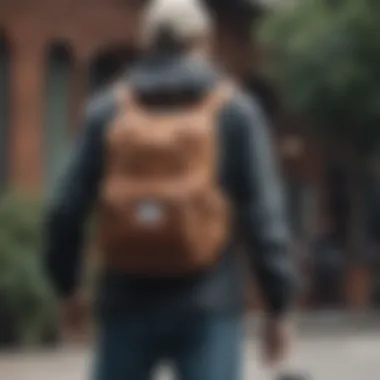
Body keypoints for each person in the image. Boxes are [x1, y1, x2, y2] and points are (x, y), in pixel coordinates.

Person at [44, 0, 295, 379]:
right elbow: (264, 218)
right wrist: (278, 306)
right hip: (209, 302)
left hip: (125, 299)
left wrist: (68, 287)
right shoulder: (236, 111)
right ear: (204, 41)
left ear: (145, 41)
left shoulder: (108, 109)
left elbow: (65, 208)